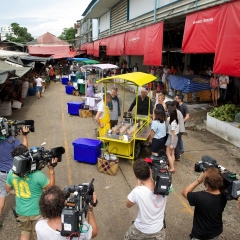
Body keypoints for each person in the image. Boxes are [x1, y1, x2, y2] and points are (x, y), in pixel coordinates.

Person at [6, 144, 57, 240]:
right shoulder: (37, 175)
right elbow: (51, 189)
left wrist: (18, 193)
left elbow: (8, 189)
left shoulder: (11, 173)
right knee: (39, 236)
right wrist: (51, 170)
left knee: (24, 233)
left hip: (21, 212)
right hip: (37, 212)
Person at [125, 159, 167, 240]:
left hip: (141, 229)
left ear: (136, 177)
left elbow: (128, 205)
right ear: (150, 171)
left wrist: (137, 186)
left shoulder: (137, 192)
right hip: (158, 231)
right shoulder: (165, 185)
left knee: (127, 237)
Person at [182, 168, 227, 240]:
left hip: (201, 235)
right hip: (216, 231)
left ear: (207, 184)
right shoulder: (224, 194)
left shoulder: (200, 197)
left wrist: (198, 180)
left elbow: (185, 192)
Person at [0, 126, 28, 228]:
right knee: (20, 192)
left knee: (2, 196)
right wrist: (24, 136)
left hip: (1, 173)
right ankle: (22, 213)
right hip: (14, 172)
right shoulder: (11, 140)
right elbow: (24, 150)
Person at [165, 106, 179, 173]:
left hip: (171, 138)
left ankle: (172, 168)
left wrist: (171, 143)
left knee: (168, 153)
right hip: (175, 137)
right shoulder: (175, 120)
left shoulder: (173, 123)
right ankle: (171, 166)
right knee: (172, 153)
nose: (167, 112)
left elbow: (172, 133)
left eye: (168, 111)